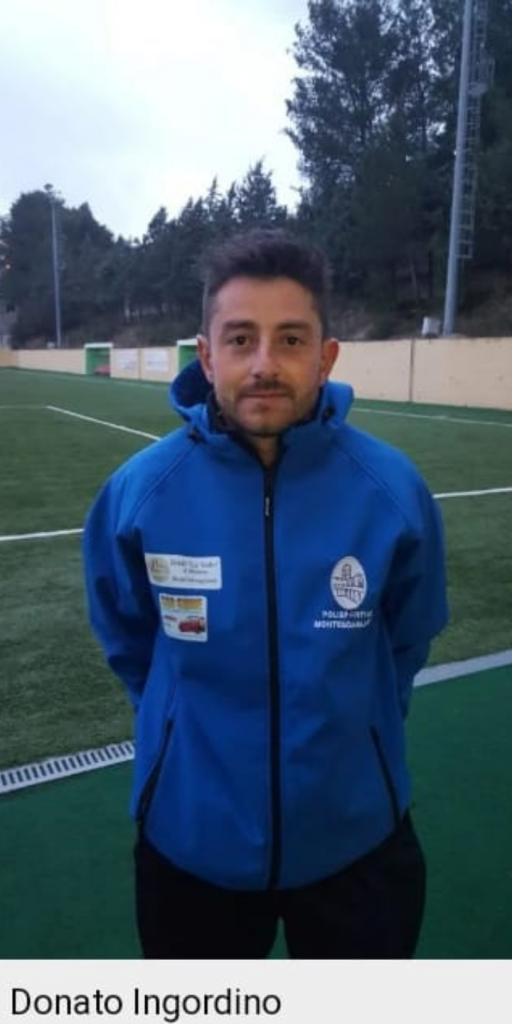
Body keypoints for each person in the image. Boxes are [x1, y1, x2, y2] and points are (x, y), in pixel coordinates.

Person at [83, 228, 448, 959]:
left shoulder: (392, 490)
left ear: (326, 356)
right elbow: (128, 637)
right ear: (206, 354)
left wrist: (362, 729)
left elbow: (408, 637)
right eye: (241, 338)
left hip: (357, 843)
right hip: (191, 844)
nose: (264, 365)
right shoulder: (138, 493)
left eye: (290, 340)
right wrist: (176, 724)